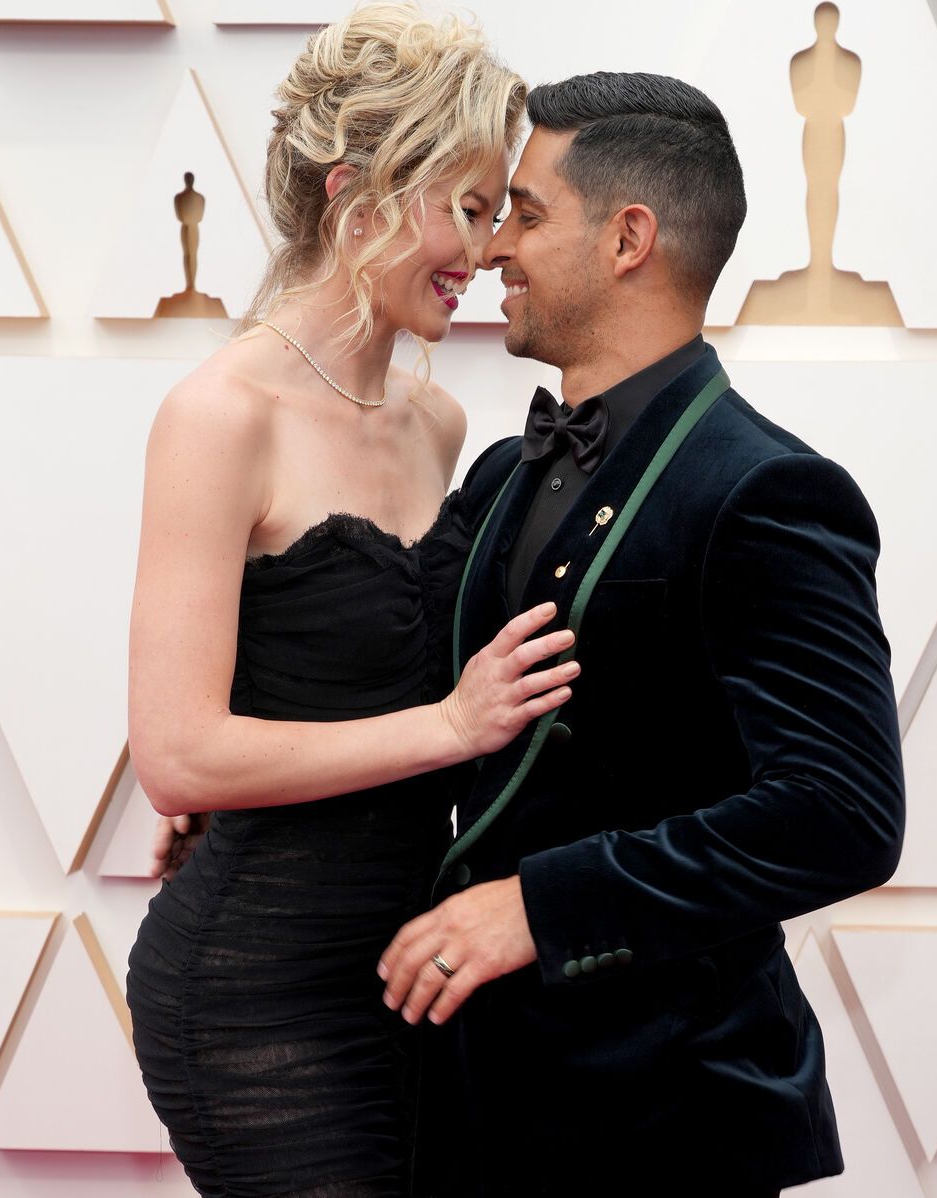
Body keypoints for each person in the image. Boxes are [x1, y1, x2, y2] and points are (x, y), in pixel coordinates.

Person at [377, 72, 906, 1196]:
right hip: (481, 1096)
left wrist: (540, 904)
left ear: (629, 238)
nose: (496, 248)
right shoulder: (495, 474)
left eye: (525, 211)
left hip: (666, 1114)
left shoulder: (769, 490)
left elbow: (839, 815)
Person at [124, 9, 581, 1196]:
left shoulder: (438, 423)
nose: (484, 251)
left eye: (496, 214)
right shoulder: (222, 414)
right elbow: (176, 756)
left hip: (409, 972)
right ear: (357, 192)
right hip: (251, 990)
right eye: (467, 205)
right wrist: (448, 726)